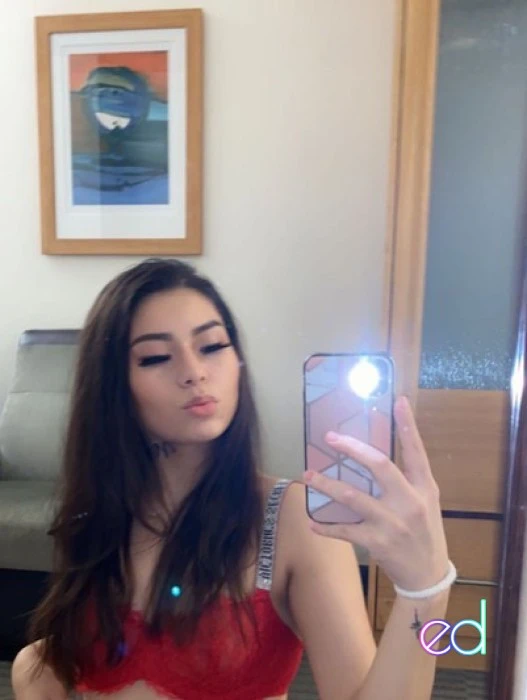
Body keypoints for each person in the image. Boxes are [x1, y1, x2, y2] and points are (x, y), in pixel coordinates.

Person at [11, 258, 452, 700]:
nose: (194, 371)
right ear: (112, 386)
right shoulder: (97, 515)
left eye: (212, 346)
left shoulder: (293, 521)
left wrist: (425, 588)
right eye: (156, 356)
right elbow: (56, 659)